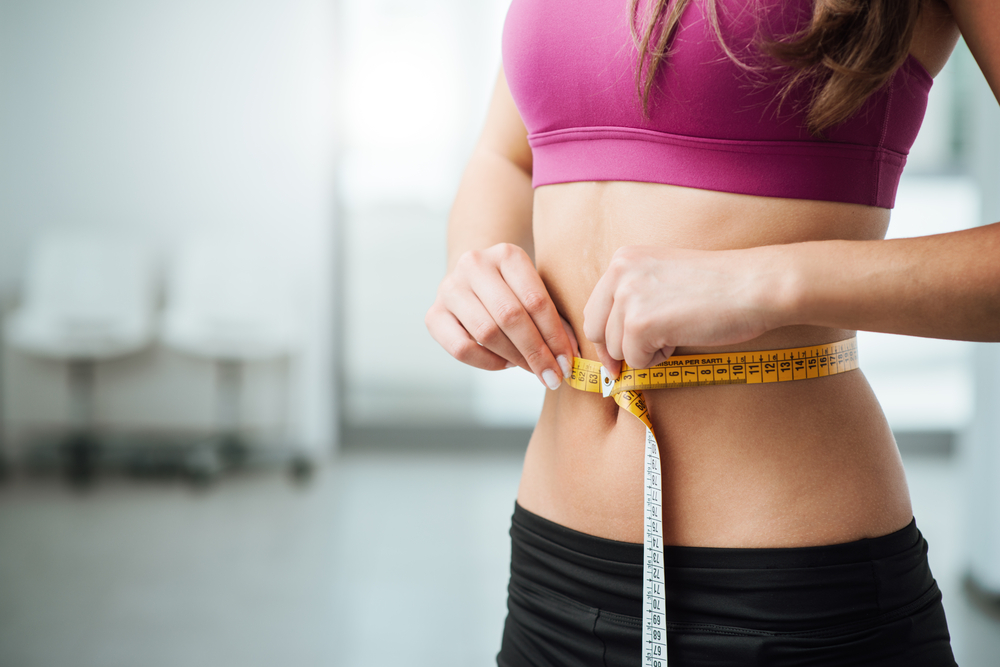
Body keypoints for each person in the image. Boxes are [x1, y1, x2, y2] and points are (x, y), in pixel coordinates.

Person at [425, 0, 997, 664]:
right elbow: (509, 153)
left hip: (787, 595)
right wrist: (477, 262)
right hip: (551, 570)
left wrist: (764, 282)